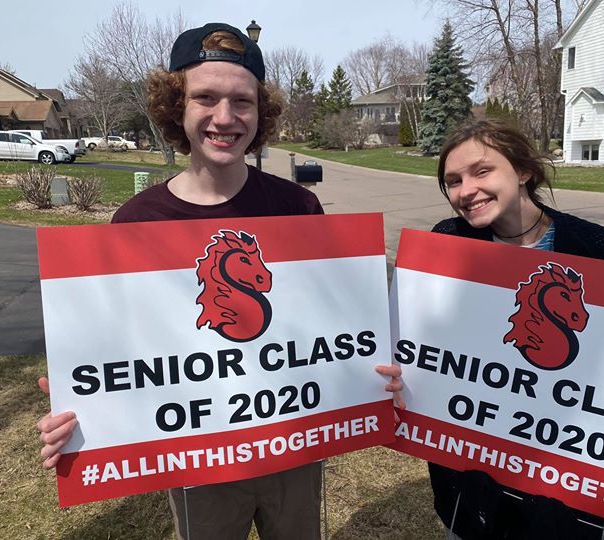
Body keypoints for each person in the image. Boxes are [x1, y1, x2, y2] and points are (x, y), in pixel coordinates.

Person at [37, 22, 403, 540]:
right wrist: (79, 407)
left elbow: (335, 331)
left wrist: (375, 372)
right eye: (205, 97)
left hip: (292, 445)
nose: (225, 118)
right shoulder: (137, 222)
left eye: (242, 101)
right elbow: (117, 351)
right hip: (197, 459)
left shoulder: (298, 207)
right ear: (176, 107)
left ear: (262, 111)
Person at [429, 119, 604, 540]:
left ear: (523, 172)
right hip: (477, 472)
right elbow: (430, 343)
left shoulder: (598, 247)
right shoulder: (447, 241)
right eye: (453, 180)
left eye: (482, 172)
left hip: (565, 467)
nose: (466, 191)